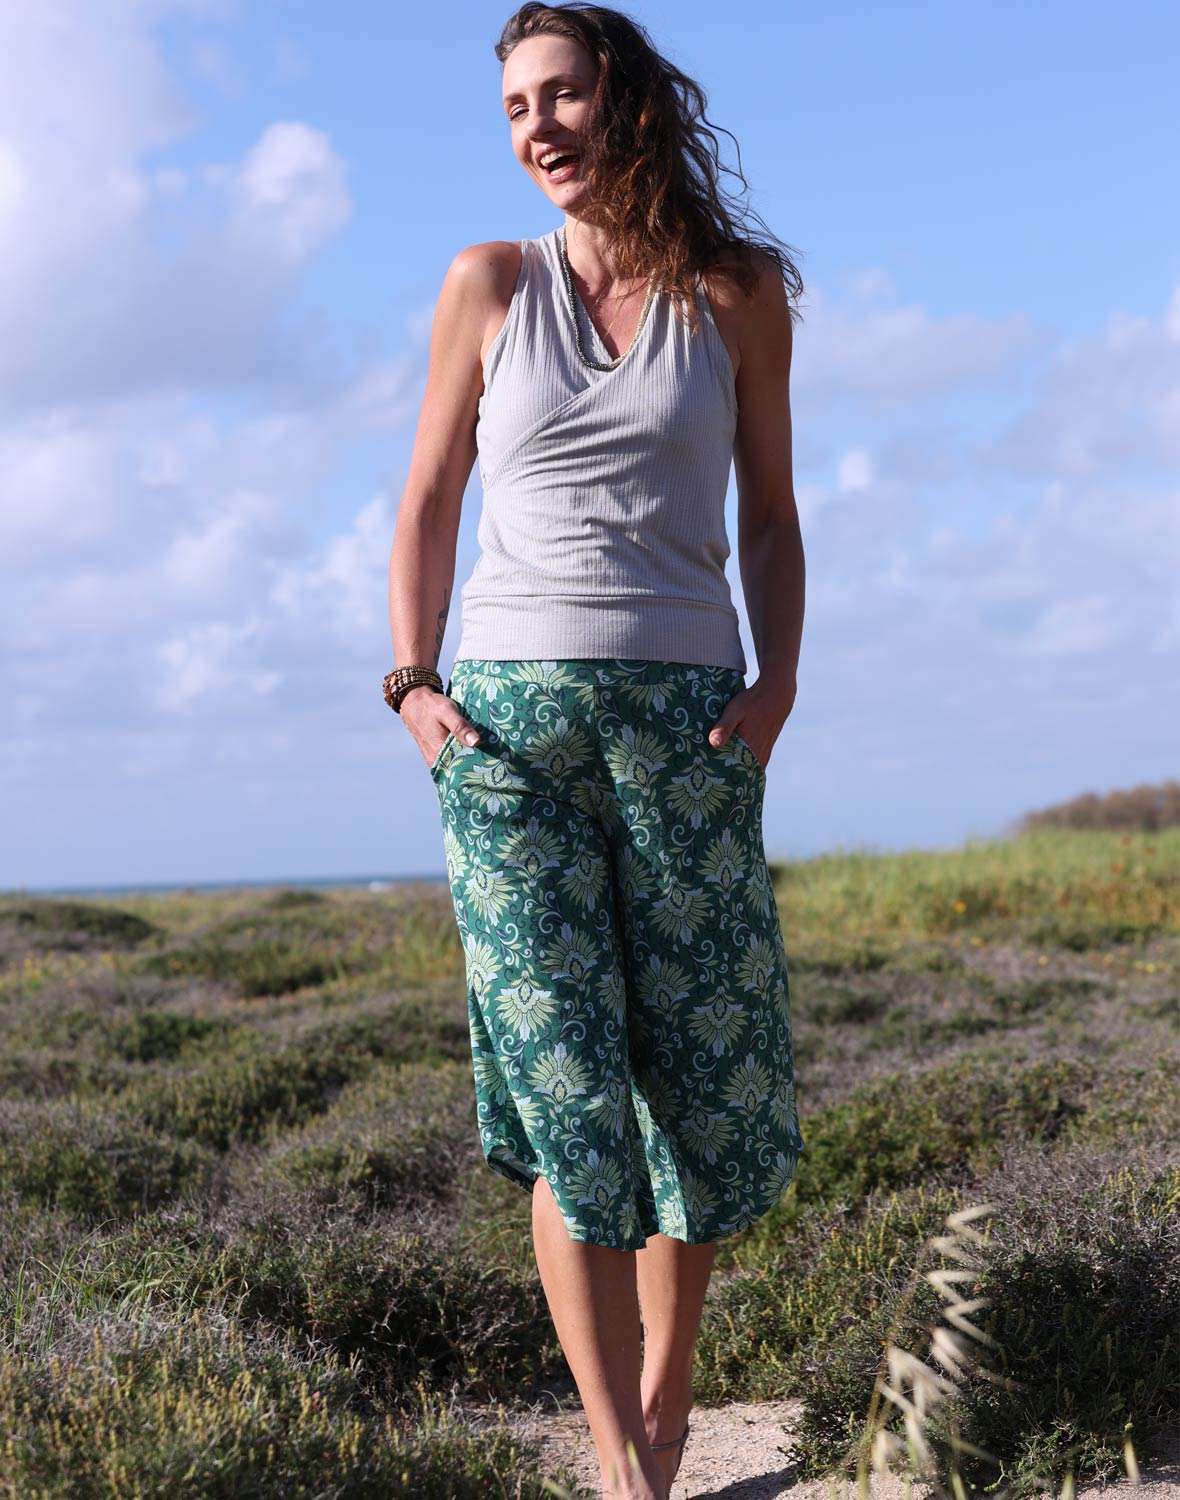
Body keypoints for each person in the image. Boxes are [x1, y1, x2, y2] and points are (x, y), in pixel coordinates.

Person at [386, 5, 806, 1495]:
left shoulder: (737, 292)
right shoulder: (488, 283)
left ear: (625, 97)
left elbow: (770, 513)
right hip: (507, 740)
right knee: (569, 1096)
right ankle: (621, 1463)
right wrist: (413, 687)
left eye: (560, 95)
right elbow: (428, 496)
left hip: (688, 723)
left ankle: (670, 1399)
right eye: (516, 108)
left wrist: (778, 685)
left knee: (692, 1084)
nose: (538, 129)